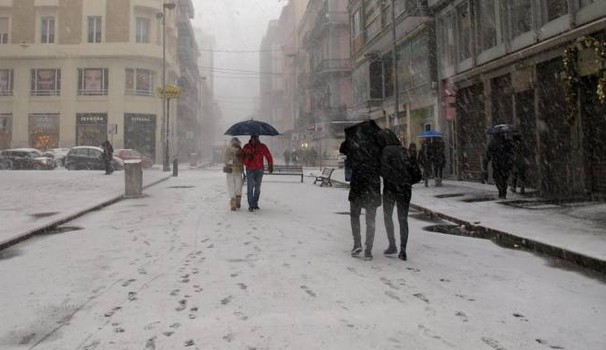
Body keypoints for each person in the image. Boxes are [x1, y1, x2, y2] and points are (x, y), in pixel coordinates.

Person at [339, 120, 381, 260]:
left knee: (355, 215)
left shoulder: (354, 144)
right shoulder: (377, 145)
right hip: (373, 185)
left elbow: (342, 149)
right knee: (371, 219)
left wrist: (350, 137)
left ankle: (357, 243)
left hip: (358, 183)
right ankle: (369, 249)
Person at [377, 129, 414, 261]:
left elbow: (383, 170)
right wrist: (406, 180)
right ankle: (403, 249)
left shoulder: (385, 152)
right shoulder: (405, 151)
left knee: (388, 216)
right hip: (405, 189)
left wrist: (392, 179)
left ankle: (392, 244)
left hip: (391, 189)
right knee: (403, 219)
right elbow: (416, 173)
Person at [242, 135, 273, 212]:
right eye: (252, 138)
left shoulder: (262, 147)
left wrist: (270, 164)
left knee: (257, 188)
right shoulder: (246, 147)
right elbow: (242, 159)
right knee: (250, 187)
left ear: (258, 138)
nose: (254, 140)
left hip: (259, 169)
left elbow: (268, 155)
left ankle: (255, 203)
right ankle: (251, 205)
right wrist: (247, 158)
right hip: (250, 169)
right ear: (251, 138)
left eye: (255, 138)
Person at [483, 133, 514, 199]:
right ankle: (503, 191)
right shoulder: (507, 142)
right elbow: (512, 152)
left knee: (497, 178)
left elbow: (488, 154)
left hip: (497, 164)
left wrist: (485, 163)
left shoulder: (493, 142)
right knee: (504, 178)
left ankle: (501, 190)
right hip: (506, 164)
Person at [224, 137, 244, 211]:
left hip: (238, 171)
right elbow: (225, 160)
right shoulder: (228, 150)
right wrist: (233, 161)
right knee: (231, 187)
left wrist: (240, 157)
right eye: (234, 142)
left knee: (238, 187)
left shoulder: (241, 150)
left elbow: (243, 160)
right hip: (230, 171)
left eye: (237, 142)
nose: (235, 143)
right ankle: (233, 204)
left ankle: (238, 201)